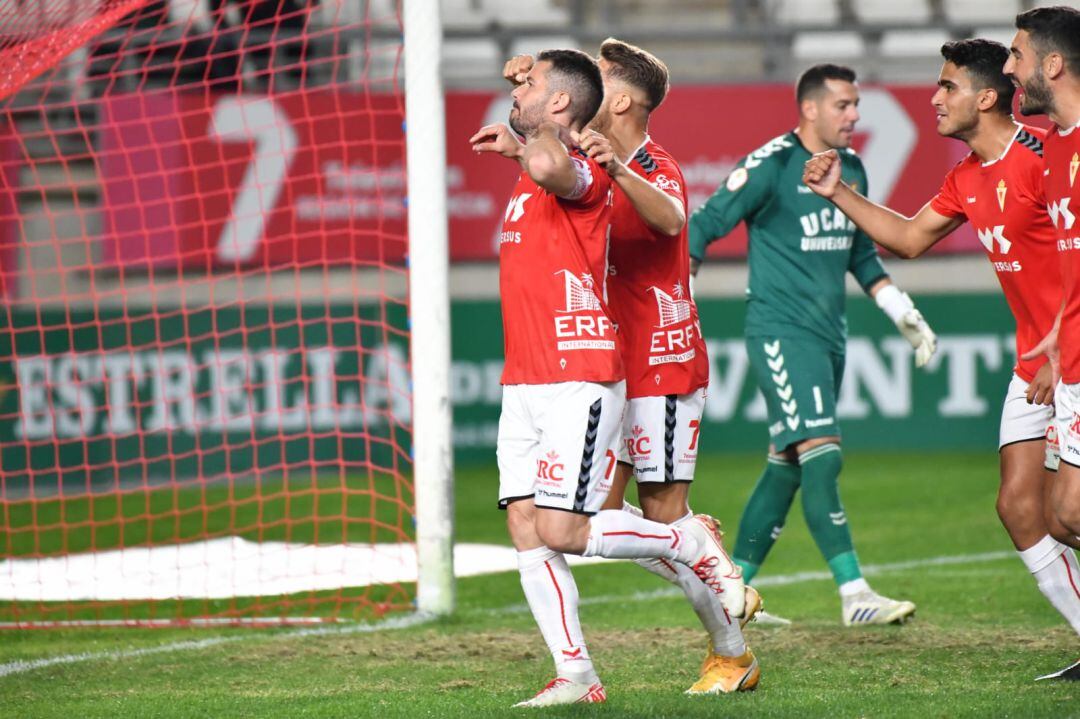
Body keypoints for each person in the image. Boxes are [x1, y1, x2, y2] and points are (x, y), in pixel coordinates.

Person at [470, 48, 743, 707]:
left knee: (601, 522)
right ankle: (576, 673)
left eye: (542, 87)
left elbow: (672, 221)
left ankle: (721, 627)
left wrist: (544, 132)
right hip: (536, 375)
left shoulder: (613, 168)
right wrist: (523, 135)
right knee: (540, 523)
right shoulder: (555, 163)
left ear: (612, 102)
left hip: (637, 361)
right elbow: (545, 162)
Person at [802, 39, 1080, 678]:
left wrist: (1064, 346)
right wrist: (840, 192)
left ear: (985, 97)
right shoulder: (966, 176)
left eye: (946, 86)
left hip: (1065, 357)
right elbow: (906, 239)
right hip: (1032, 362)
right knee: (1018, 508)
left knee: (1067, 512)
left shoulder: (1044, 157)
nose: (934, 97)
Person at [688, 63, 935, 626]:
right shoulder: (771, 164)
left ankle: (731, 594)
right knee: (823, 456)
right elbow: (702, 226)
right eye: (844, 105)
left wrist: (902, 311)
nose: (854, 115)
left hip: (830, 339)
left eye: (855, 105)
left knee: (787, 466)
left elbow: (860, 254)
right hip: (781, 332)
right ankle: (854, 594)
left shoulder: (852, 170)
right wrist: (677, 307)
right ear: (811, 109)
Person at [1005, 4, 1080, 682]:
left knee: (1069, 510)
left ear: (1052, 65)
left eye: (1018, 54)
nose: (1010, 68)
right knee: (1057, 516)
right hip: (1070, 355)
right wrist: (1056, 337)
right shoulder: (1054, 147)